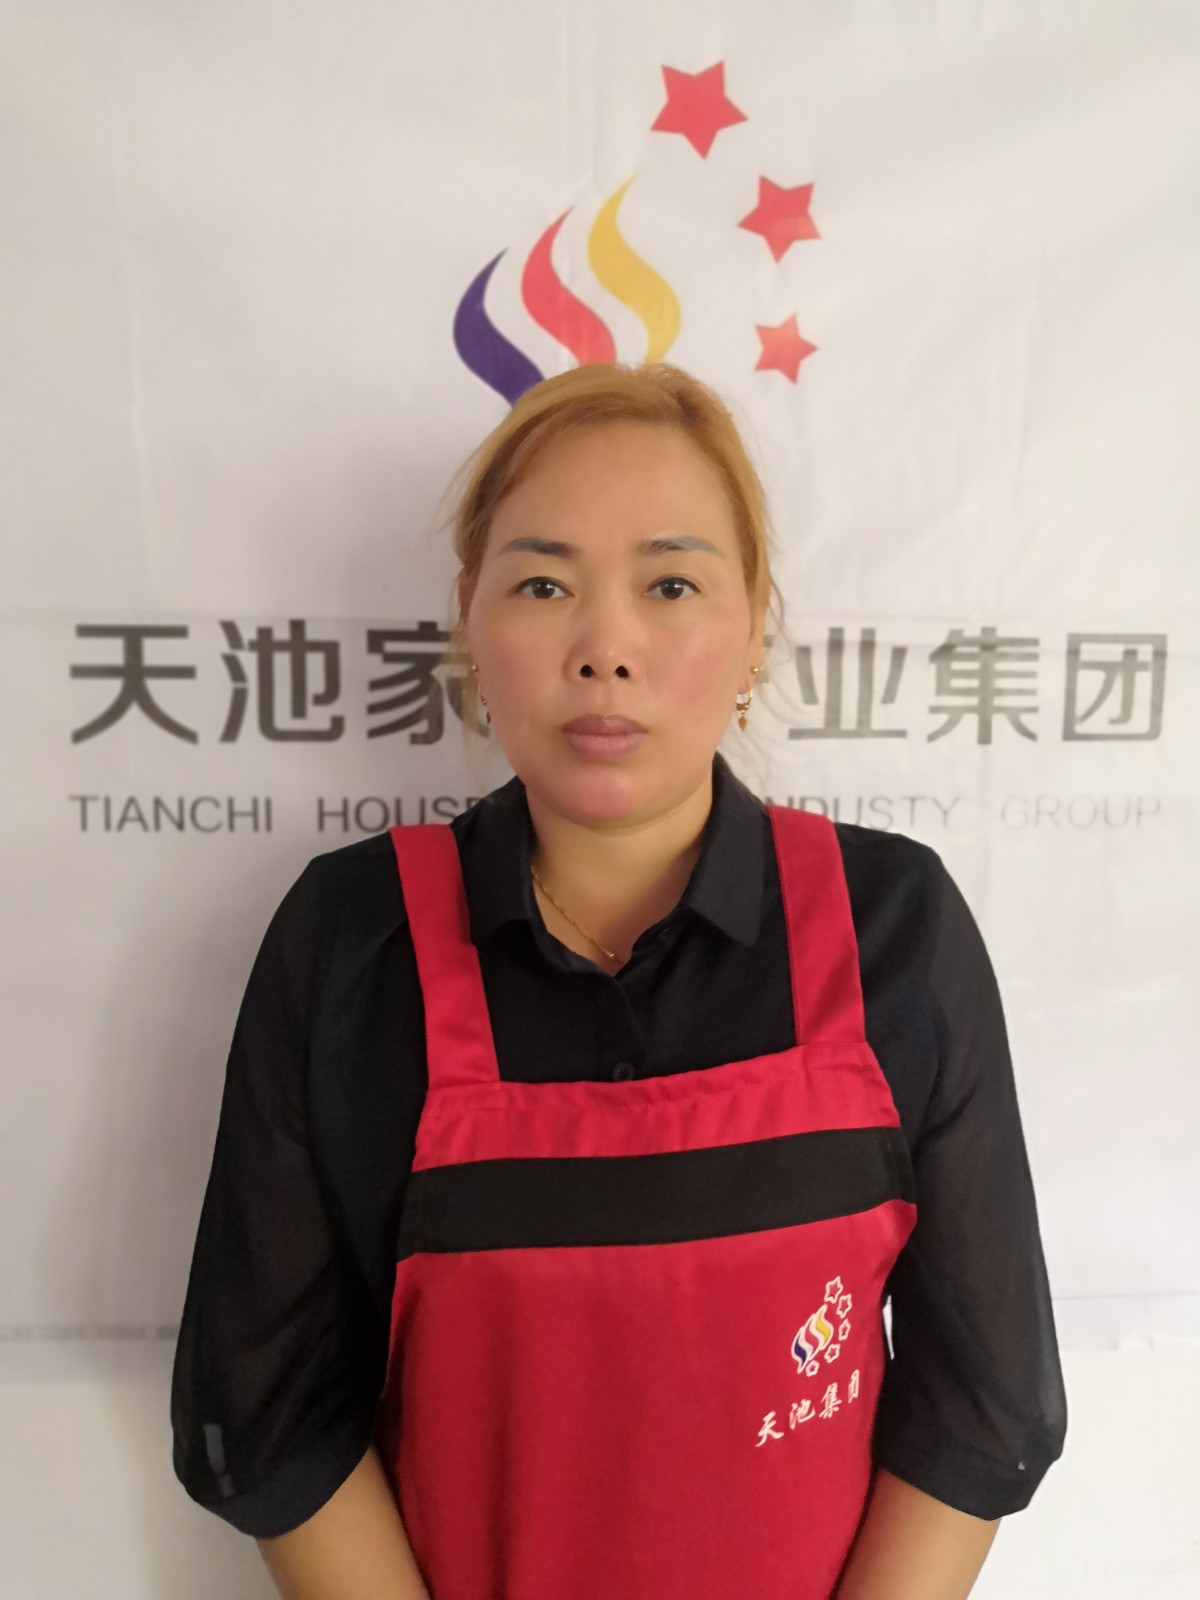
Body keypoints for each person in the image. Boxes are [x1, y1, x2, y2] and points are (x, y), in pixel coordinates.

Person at [170, 361, 1067, 1598]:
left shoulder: (892, 931)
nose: (604, 650)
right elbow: (264, 1415)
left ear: (753, 623)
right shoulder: (352, 941)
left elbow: (986, 1407)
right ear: (469, 618)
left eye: (671, 584)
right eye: (543, 584)